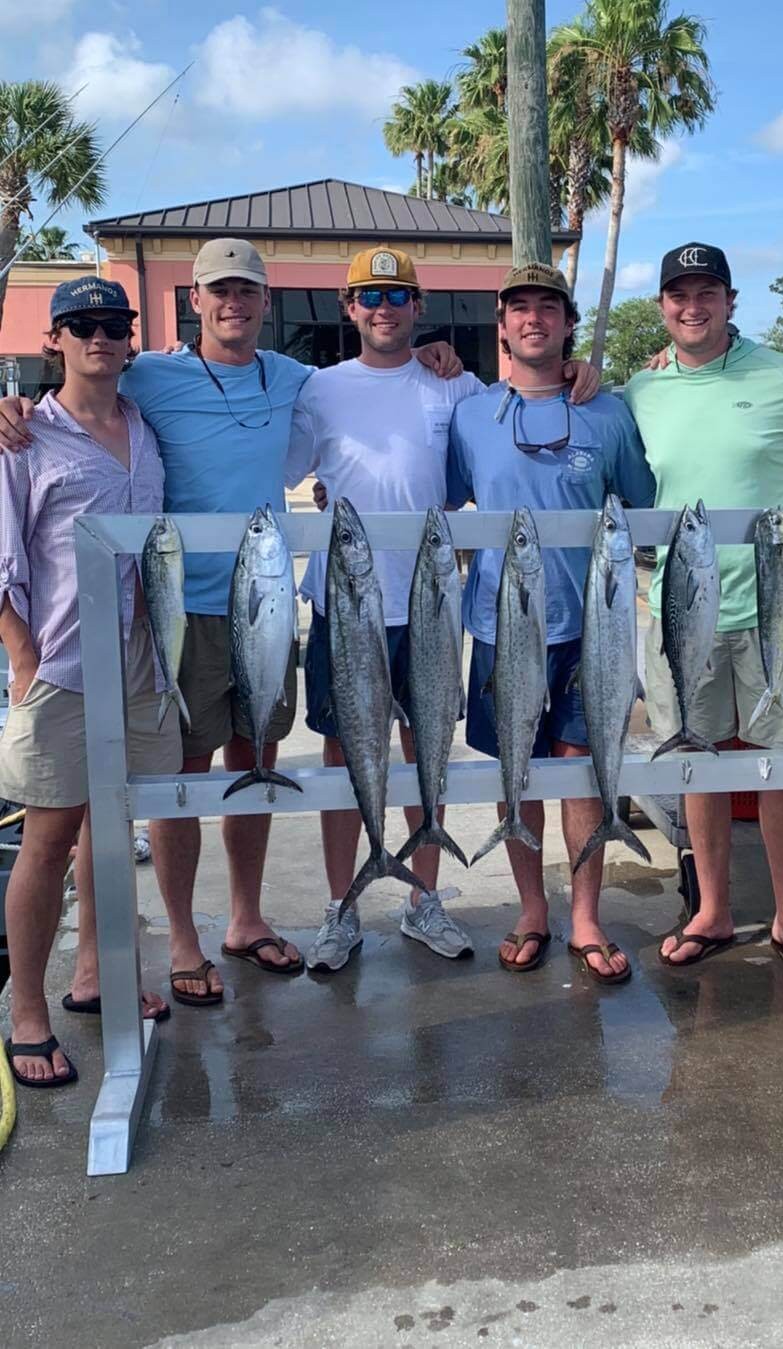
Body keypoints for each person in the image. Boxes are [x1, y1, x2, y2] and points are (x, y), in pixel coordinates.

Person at [0, 238, 461, 1005]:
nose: (232, 303)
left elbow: (378, 380)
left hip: (269, 605)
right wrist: (11, 407)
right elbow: (74, 395)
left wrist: (438, 354)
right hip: (173, 615)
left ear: (266, 303)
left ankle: (245, 918)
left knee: (258, 764)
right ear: (195, 300)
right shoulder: (148, 373)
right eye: (218, 290)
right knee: (174, 785)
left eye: (246, 290)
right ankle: (183, 940)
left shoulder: (295, 379)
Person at [290, 246, 602, 973]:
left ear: (418, 307)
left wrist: (582, 373)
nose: (384, 310)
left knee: (423, 753)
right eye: (370, 297)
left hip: (429, 608)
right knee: (345, 760)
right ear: (349, 307)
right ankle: (342, 906)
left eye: (398, 297)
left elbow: (496, 445)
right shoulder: (318, 387)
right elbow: (290, 468)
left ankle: (422, 897)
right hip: (343, 608)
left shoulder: (457, 388)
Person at [626, 242, 783, 979]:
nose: (693, 307)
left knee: (781, 763)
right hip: (680, 610)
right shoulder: (639, 391)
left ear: (730, 299)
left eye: (707, 292)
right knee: (697, 758)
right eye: (679, 295)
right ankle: (711, 907)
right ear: (662, 306)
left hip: (779, 606)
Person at [447, 262, 656, 983]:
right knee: (518, 770)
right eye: (519, 309)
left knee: (584, 771)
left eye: (547, 308)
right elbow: (442, 499)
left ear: (568, 323)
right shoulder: (471, 413)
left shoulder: (609, 409)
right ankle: (532, 907)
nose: (533, 319)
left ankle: (587, 916)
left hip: (590, 627)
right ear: (501, 324)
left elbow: (641, 504)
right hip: (500, 626)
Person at [0, 278, 180, 1087]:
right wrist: (23, 656)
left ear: (130, 337)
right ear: (56, 339)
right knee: (46, 835)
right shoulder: (24, 437)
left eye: (112, 323)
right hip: (64, 666)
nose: (99, 337)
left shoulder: (146, 425)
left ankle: (97, 973)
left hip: (142, 662)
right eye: (81, 324)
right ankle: (26, 1013)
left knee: (112, 823)